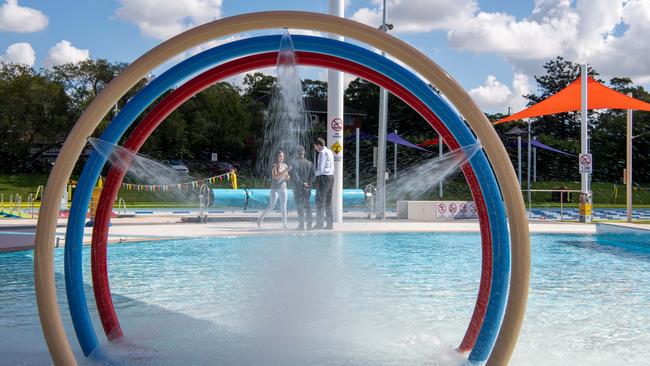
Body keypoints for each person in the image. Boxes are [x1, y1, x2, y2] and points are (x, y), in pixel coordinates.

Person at [257, 150, 291, 229]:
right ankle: (260, 219)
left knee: (284, 206)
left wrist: (288, 176)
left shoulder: (285, 166)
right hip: (275, 188)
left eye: (282, 156)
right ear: (277, 157)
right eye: (280, 156)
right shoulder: (274, 166)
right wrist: (285, 171)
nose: (281, 158)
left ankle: (284, 224)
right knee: (271, 206)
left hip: (283, 187)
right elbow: (275, 177)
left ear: (284, 157)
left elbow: (286, 177)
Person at [312, 137, 334, 230]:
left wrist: (314, 176)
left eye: (315, 146)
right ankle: (329, 224)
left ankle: (319, 224)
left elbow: (320, 169)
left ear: (318, 145)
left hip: (323, 178)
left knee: (319, 201)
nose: (315, 148)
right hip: (331, 177)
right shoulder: (329, 151)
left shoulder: (321, 153)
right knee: (328, 202)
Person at [291, 145, 314, 231]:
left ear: (297, 154)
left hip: (298, 188)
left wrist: (302, 183)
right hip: (307, 188)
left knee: (300, 207)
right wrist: (308, 183)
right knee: (307, 206)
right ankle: (309, 225)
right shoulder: (310, 163)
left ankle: (301, 225)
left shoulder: (294, 163)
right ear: (304, 153)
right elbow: (313, 176)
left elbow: (295, 177)